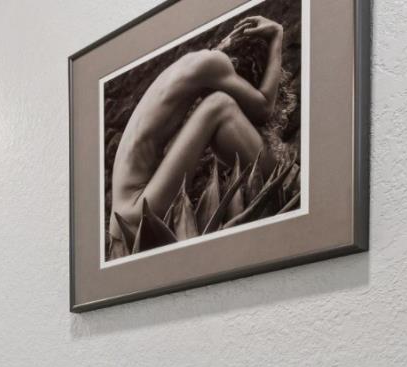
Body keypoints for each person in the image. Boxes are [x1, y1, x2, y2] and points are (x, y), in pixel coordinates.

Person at [107, 15, 285, 252]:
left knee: (216, 108)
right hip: (137, 212)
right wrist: (277, 35)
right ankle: (290, 178)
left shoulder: (188, 68)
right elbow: (263, 108)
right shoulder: (214, 63)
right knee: (220, 104)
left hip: (123, 221)